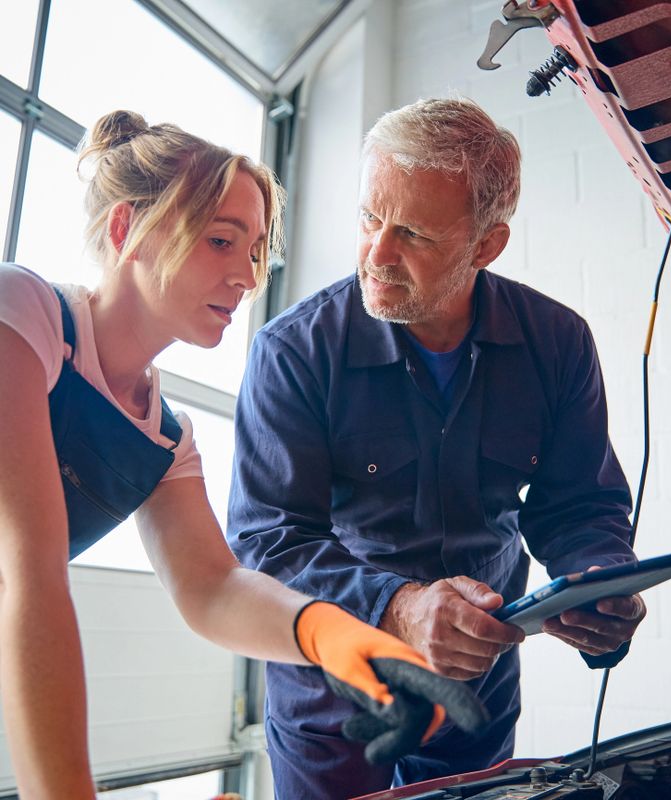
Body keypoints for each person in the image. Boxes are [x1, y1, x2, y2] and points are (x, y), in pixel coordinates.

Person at [0, 110, 487, 800]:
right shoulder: (21, 313)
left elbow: (214, 588)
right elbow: (31, 575)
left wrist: (339, 640)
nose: (247, 276)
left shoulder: (164, 438)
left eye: (256, 250)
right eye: (221, 241)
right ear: (124, 230)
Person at [227, 97, 648, 798]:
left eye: (413, 234)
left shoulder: (558, 343)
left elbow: (580, 503)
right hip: (334, 706)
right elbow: (269, 542)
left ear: (487, 244)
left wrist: (599, 578)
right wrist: (399, 606)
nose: (376, 255)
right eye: (368, 218)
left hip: (473, 702)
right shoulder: (293, 352)